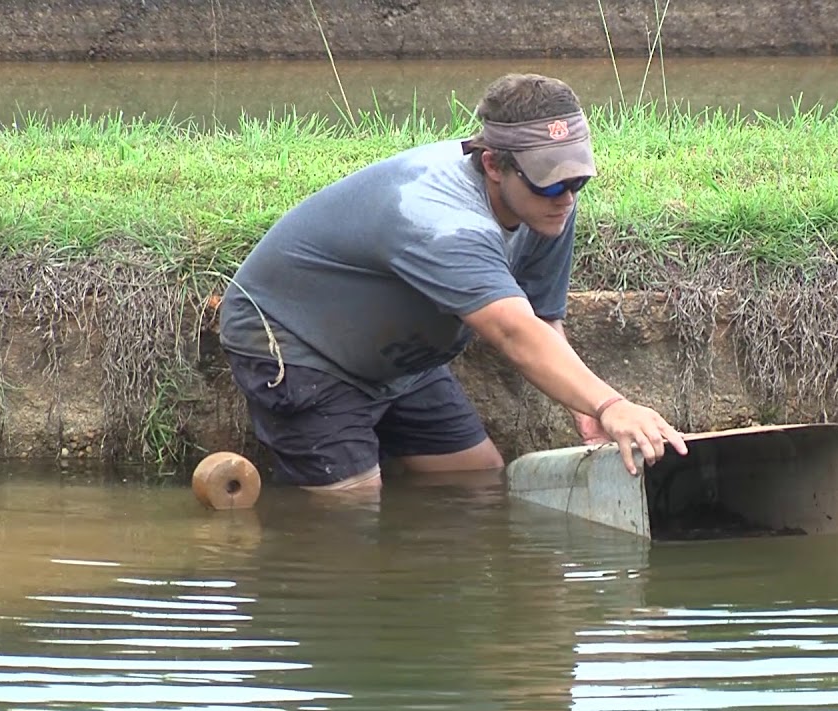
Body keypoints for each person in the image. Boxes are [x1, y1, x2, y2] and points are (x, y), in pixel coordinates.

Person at [219, 73, 687, 492]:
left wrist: (584, 410)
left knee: (476, 483)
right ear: (492, 165)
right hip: (298, 344)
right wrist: (611, 404)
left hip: (399, 357)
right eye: (549, 184)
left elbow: (541, 318)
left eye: (576, 181)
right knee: (349, 515)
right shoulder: (442, 222)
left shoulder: (548, 207)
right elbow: (510, 330)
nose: (565, 197)